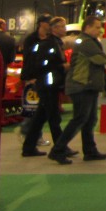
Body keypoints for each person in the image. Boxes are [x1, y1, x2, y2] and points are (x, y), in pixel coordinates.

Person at [48, 16, 106, 164]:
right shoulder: (86, 42)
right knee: (80, 118)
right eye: (96, 27)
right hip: (81, 86)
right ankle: (58, 150)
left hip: (88, 86)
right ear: (87, 27)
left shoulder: (89, 41)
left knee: (89, 120)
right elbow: (101, 59)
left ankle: (90, 150)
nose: (100, 30)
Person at [22, 17, 75, 157]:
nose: (65, 29)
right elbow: (43, 64)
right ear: (54, 28)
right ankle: (60, 147)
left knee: (40, 118)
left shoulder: (56, 43)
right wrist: (62, 67)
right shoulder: (49, 44)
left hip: (50, 84)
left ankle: (29, 147)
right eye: (62, 26)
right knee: (53, 118)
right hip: (48, 84)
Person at [17, 13, 52, 142]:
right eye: (48, 22)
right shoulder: (31, 39)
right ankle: (27, 132)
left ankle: (33, 134)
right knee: (32, 107)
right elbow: (29, 59)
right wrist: (30, 77)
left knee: (41, 108)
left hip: (44, 77)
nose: (50, 25)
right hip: (33, 78)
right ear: (41, 23)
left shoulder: (49, 38)